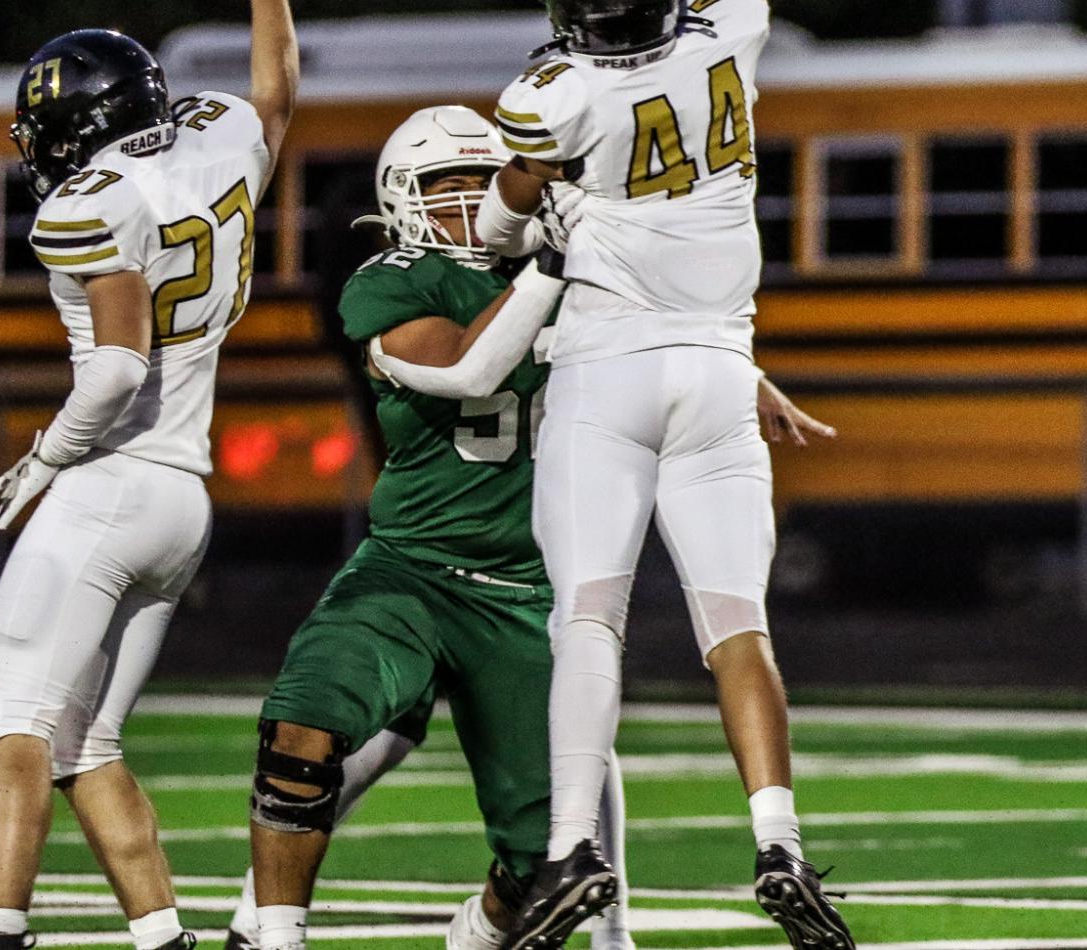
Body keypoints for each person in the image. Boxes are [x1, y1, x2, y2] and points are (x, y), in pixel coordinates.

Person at [229, 102, 834, 950]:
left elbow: (663, 341)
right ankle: (268, 936)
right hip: (410, 571)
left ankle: (477, 935)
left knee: (539, 869)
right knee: (302, 732)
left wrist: (737, 372)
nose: (473, 200)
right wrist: (554, 266)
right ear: (403, 198)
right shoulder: (393, 280)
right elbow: (464, 365)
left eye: (485, 180)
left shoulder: (584, 278)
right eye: (448, 185)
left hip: (524, 595)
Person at [474, 0, 854, 950]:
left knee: (588, 616)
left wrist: (542, 204)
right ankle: (780, 841)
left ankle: (574, 850)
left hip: (610, 369)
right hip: (721, 372)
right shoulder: (725, 29)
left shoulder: (559, 91)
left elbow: (501, 218)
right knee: (738, 625)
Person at [0, 0, 304, 950]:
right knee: (83, 739)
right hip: (185, 495)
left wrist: (44, 457)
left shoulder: (90, 201)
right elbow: (278, 94)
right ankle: (164, 938)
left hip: (112, 478)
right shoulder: (214, 149)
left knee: (12, 720)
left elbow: (114, 370)